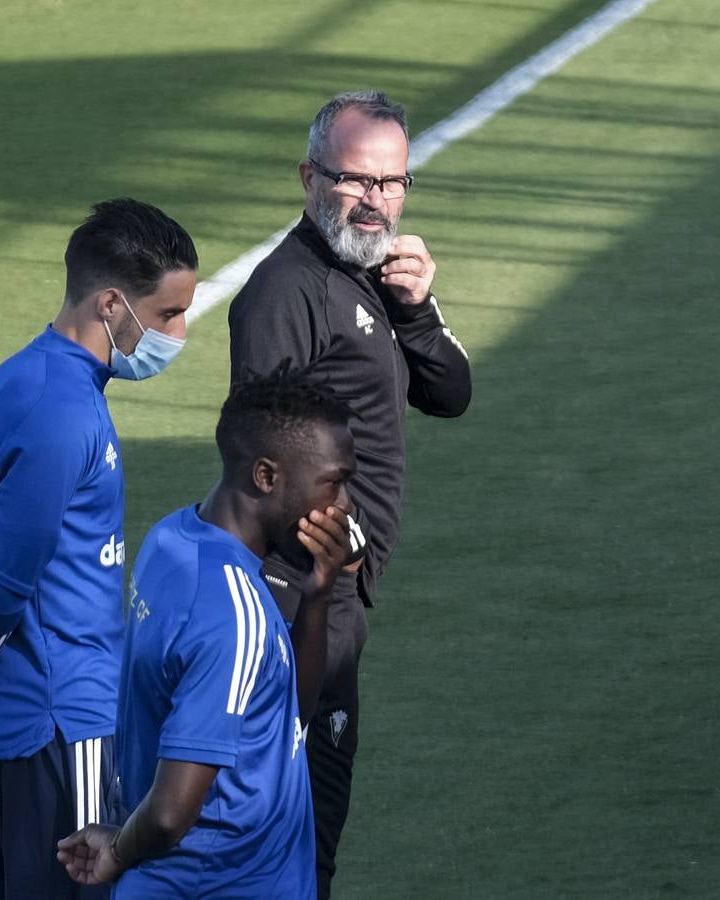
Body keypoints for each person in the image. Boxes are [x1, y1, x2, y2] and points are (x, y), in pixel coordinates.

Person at [0, 198, 199, 900]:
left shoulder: (18, 377)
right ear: (112, 304)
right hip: (62, 722)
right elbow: (5, 579)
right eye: (168, 316)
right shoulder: (66, 411)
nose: (180, 335)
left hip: (11, 719)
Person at [226, 89, 473, 896]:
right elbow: (259, 455)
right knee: (298, 840)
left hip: (336, 600)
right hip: (299, 600)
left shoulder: (374, 276)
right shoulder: (284, 292)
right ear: (308, 175)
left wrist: (419, 308)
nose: (375, 202)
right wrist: (342, 547)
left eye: (392, 183)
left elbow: (450, 393)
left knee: (312, 837)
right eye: (355, 180)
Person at [55, 372, 356, 898]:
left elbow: (285, 720)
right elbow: (172, 813)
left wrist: (317, 595)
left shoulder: (172, 538)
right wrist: (119, 851)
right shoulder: (230, 610)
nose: (345, 504)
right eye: (333, 482)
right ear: (266, 476)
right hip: (220, 884)